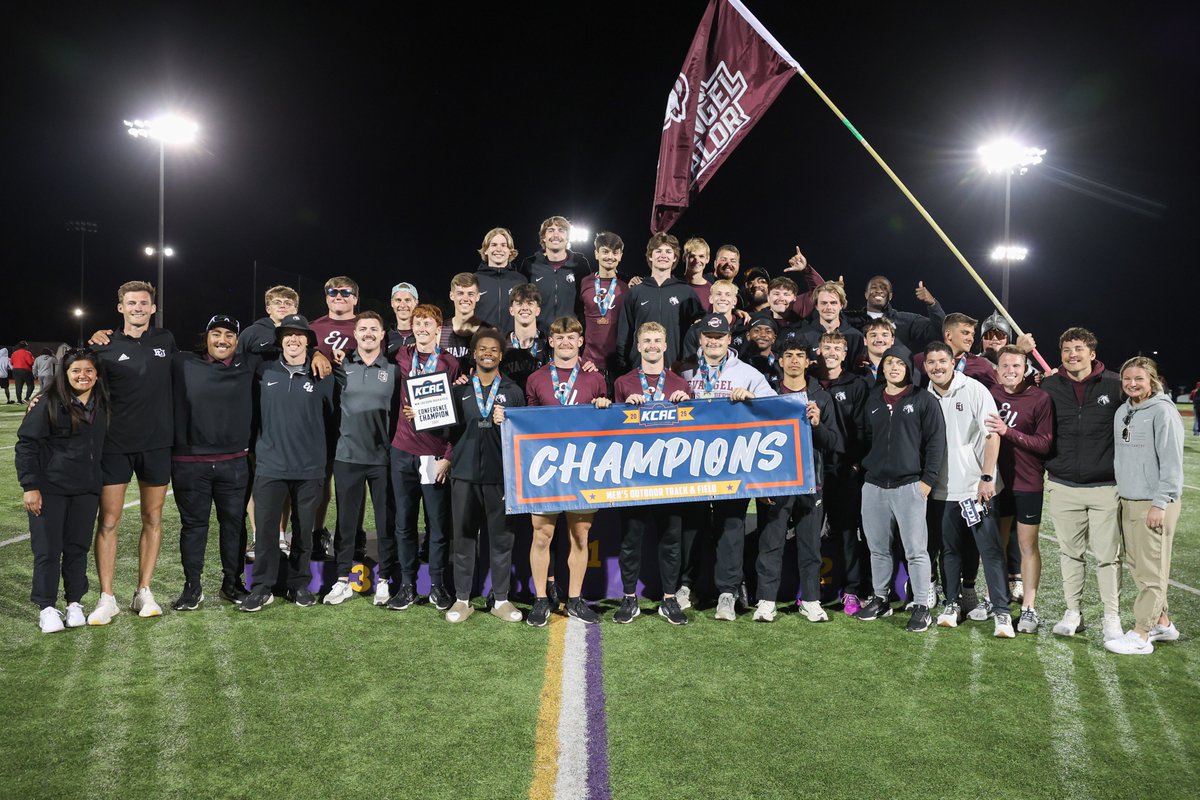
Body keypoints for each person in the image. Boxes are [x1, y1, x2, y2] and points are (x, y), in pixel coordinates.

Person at [85, 281, 177, 624]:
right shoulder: (103, 345)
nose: (138, 307)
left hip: (157, 444)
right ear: (120, 307)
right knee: (108, 520)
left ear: (153, 308)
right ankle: (107, 596)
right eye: (131, 303)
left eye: (144, 303)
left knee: (153, 518)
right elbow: (78, 380)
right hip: (114, 445)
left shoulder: (165, 340)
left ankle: (143, 590)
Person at [679, 313, 776, 620]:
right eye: (708, 336)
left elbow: (776, 411)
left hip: (732, 463)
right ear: (700, 339)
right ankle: (685, 586)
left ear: (728, 338)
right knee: (691, 526)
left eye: (719, 337)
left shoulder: (747, 373)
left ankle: (727, 593)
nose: (713, 342)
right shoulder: (683, 370)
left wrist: (751, 400)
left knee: (731, 526)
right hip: (690, 462)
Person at [242, 315, 338, 612]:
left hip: (309, 466)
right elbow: (254, 415)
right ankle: (262, 587)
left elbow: (332, 419)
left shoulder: (323, 375)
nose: (293, 340)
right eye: (288, 335)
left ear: (309, 341)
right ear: (280, 340)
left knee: (304, 530)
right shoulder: (264, 371)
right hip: (271, 465)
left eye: (300, 335)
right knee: (268, 532)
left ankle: (299, 584)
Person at [922, 343, 1014, 638]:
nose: (937, 367)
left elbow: (993, 436)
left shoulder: (974, 390)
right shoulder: (925, 396)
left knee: (990, 551)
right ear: (925, 367)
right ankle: (951, 603)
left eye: (942, 361)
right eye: (931, 362)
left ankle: (1002, 612)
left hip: (976, 490)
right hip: (942, 490)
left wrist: (987, 477)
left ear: (953, 363)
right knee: (949, 551)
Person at [524, 316, 611, 626]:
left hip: (582, 468)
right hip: (546, 471)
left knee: (580, 535)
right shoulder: (535, 379)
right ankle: (540, 600)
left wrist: (605, 405)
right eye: (558, 337)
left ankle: (574, 599)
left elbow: (605, 425)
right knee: (542, 535)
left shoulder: (595, 379)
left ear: (580, 341)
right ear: (550, 341)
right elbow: (528, 427)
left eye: (571, 337)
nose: (565, 342)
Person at [1040, 327, 1124, 641]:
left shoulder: (1116, 384)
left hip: (1105, 486)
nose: (1072, 355)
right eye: (1066, 350)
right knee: (1069, 554)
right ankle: (1073, 611)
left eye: (1078, 348)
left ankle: (1111, 617)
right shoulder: (1049, 384)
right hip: (1063, 484)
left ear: (1092, 352)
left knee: (1107, 557)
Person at [16, 347, 108, 633]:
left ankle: (74, 602)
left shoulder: (102, 402)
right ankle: (46, 606)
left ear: (97, 374)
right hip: (50, 487)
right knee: (47, 549)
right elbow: (27, 444)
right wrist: (30, 486)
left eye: (89, 370)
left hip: (86, 488)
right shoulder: (48, 402)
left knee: (77, 548)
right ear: (64, 374)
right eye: (76, 370)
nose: (83, 375)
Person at [169, 315, 258, 609]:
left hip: (235, 462)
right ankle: (192, 586)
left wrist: (318, 352)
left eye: (229, 335)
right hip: (189, 462)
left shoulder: (249, 365)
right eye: (216, 334)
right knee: (194, 526)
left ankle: (232, 583)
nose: (223, 340)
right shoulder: (182, 362)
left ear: (238, 339)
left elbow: (290, 348)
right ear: (206, 337)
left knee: (234, 525)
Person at [855, 347, 945, 632]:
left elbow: (936, 442)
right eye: (889, 362)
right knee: (878, 549)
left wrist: (927, 481)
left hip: (910, 485)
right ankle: (881, 599)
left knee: (916, 551)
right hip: (874, 485)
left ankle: (920, 605)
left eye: (899, 363)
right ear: (882, 368)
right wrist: (864, 468)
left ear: (908, 367)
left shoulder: (924, 400)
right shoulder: (872, 400)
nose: (894, 367)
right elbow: (863, 437)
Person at [611, 322, 694, 626]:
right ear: (638, 345)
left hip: (670, 475)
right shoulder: (623, 382)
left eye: (657, 340)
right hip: (634, 473)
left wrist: (688, 408)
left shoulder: (679, 384)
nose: (652, 346)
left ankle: (669, 599)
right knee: (631, 538)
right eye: (646, 340)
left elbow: (693, 431)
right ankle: (629, 598)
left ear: (666, 344)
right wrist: (624, 407)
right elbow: (612, 428)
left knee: (670, 539)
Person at [752, 343, 842, 623]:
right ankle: (766, 601)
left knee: (810, 544)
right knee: (770, 542)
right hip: (776, 482)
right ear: (779, 360)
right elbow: (755, 441)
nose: (793, 361)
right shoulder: (768, 395)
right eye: (788, 356)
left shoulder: (821, 397)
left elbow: (834, 443)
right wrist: (761, 484)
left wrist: (817, 424)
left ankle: (811, 600)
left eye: (799, 356)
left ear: (807, 362)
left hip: (810, 481)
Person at [1104, 356, 1184, 655]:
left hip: (1153, 502)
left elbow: (1172, 464)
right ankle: (1163, 623)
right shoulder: (1124, 410)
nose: (1132, 384)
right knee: (1139, 568)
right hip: (1128, 500)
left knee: (1152, 570)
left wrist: (1160, 503)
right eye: (1127, 379)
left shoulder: (1163, 412)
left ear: (1153, 380)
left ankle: (1141, 634)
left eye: (1139, 378)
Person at [445, 329, 526, 623]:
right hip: (464, 475)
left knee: (502, 540)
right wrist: (424, 417)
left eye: (493, 349)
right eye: (482, 349)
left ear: (501, 355)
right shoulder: (460, 390)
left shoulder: (514, 392)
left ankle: (501, 600)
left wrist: (506, 424)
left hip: (500, 478)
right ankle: (462, 600)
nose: (488, 353)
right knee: (464, 538)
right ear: (474, 354)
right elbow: (449, 433)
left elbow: (522, 437)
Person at [324, 311, 400, 607]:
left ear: (383, 335)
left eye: (374, 329)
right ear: (355, 334)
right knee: (346, 521)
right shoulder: (341, 366)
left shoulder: (394, 370)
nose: (368, 333)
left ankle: (384, 580)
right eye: (363, 329)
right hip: (348, 456)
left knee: (385, 521)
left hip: (382, 458)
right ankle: (342, 579)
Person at [389, 303, 460, 612]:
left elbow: (457, 413)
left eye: (428, 323)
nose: (421, 327)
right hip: (403, 450)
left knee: (438, 525)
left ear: (438, 329)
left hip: (434, 454)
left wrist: (448, 454)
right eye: (417, 322)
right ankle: (406, 586)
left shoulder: (450, 364)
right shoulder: (402, 356)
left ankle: (437, 585)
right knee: (404, 523)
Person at [984, 345, 1053, 633]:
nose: (1010, 371)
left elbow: (1045, 443)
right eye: (1005, 366)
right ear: (997, 370)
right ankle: (995, 596)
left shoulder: (1040, 398)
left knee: (1027, 546)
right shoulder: (989, 394)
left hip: (1027, 483)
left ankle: (1029, 608)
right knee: (996, 545)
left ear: (1025, 369)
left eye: (1016, 366)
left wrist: (1007, 431)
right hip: (998, 483)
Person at [815, 331, 872, 615]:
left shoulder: (857, 384)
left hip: (843, 470)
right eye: (828, 346)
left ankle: (851, 590)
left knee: (848, 531)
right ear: (819, 349)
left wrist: (854, 464)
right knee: (810, 532)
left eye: (838, 347)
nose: (833, 351)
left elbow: (863, 428)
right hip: (810, 469)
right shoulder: (809, 381)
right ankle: (811, 590)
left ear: (845, 352)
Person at [616, 232, 704, 372]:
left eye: (668, 251)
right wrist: (623, 364)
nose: (663, 255)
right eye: (658, 251)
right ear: (650, 256)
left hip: (675, 370)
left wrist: (688, 360)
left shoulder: (686, 292)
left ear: (674, 258)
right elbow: (623, 335)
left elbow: (701, 327)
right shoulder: (635, 292)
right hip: (640, 369)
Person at [519, 215, 592, 328]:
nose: (556, 235)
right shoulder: (530, 264)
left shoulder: (580, 264)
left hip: (569, 335)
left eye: (561, 231)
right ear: (543, 237)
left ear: (567, 237)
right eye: (551, 230)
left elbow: (589, 298)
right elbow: (520, 300)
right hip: (538, 335)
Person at [844, 275, 945, 354]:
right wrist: (834, 294)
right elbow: (829, 325)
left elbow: (940, 331)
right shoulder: (850, 319)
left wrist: (932, 304)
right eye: (874, 287)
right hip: (860, 377)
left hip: (895, 376)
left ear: (890, 296)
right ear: (866, 294)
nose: (879, 291)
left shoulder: (907, 320)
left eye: (884, 288)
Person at [579, 231, 630, 386]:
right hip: (590, 362)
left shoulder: (628, 285)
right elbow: (576, 319)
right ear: (596, 254)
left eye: (615, 252)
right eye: (605, 252)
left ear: (621, 255)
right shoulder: (585, 282)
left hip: (620, 363)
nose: (610, 257)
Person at [798, 281, 866, 368]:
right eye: (824, 303)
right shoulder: (802, 336)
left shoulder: (856, 337)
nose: (829, 308)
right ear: (816, 306)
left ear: (841, 305)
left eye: (833, 303)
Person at [474, 227, 526, 332]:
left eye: (504, 245)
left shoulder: (521, 281)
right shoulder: (474, 280)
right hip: (482, 344)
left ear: (510, 251)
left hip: (512, 345)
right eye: (493, 245)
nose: (499, 249)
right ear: (485, 251)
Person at [500, 283, 549, 391]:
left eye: (530, 303)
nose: (524, 308)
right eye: (519, 304)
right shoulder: (501, 346)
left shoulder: (548, 344)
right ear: (511, 310)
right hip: (510, 403)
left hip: (540, 404)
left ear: (538, 310)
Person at [237, 285, 299, 359]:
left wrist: (316, 355)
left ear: (295, 310)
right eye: (277, 302)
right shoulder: (251, 332)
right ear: (268, 309)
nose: (282, 306)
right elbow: (238, 361)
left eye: (288, 303)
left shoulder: (303, 334)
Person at [440, 272, 487, 364]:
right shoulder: (440, 330)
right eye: (460, 293)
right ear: (451, 296)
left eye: (470, 294)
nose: (465, 298)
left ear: (477, 297)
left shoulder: (488, 331)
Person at [386, 282, 419, 354]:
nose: (403, 305)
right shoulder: (384, 338)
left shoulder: (424, 336)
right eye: (398, 300)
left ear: (416, 302)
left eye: (407, 300)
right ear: (392, 303)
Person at [681, 237, 712, 310]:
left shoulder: (712, 291)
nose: (697, 260)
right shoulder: (674, 285)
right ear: (684, 257)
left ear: (707, 259)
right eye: (692, 256)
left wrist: (734, 312)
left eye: (701, 256)